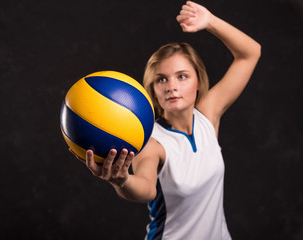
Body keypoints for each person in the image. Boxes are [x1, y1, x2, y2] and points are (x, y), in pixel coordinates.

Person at [71, 1, 261, 239]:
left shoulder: (207, 117)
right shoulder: (151, 142)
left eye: (182, 76)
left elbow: (250, 53)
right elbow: (146, 189)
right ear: (152, 88)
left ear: (198, 82)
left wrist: (210, 21)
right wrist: (122, 181)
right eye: (161, 79)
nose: (172, 86)